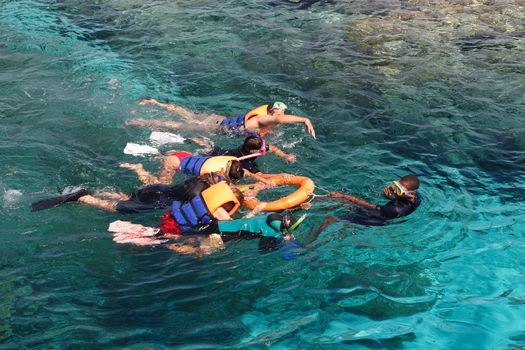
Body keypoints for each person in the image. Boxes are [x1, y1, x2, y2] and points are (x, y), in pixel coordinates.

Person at [31, 173, 245, 216]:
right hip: (159, 201)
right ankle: (84, 197)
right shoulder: (204, 194)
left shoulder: (205, 178)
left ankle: (90, 192)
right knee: (117, 208)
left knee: (128, 196)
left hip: (157, 189)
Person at [108, 213, 307, 258]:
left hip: (215, 225)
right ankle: (160, 244)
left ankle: (157, 234)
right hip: (220, 238)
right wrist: (282, 241)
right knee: (200, 254)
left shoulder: (268, 218)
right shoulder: (271, 231)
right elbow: (264, 250)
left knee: (188, 235)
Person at [120, 135, 295, 186]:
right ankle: (138, 168)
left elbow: (249, 173)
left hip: (185, 155)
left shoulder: (232, 159)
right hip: (175, 163)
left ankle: (187, 141)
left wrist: (266, 179)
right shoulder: (213, 174)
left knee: (210, 148)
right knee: (158, 186)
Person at [127, 100, 316, 139]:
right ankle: (137, 122)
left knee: (187, 114)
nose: (282, 115)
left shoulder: (266, 117)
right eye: (281, 113)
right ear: (275, 112)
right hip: (215, 128)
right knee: (177, 125)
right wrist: (304, 119)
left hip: (218, 120)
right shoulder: (264, 119)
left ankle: (156, 103)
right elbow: (281, 121)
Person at [316, 174, 422, 231]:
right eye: (395, 186)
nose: (394, 190)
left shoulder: (394, 209)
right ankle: (319, 205)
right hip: (387, 214)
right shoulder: (416, 198)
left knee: (329, 219)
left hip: (375, 218)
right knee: (344, 204)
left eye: (398, 190)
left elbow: (368, 205)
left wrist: (344, 195)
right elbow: (403, 202)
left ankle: (310, 243)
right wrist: (393, 198)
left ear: (410, 193)